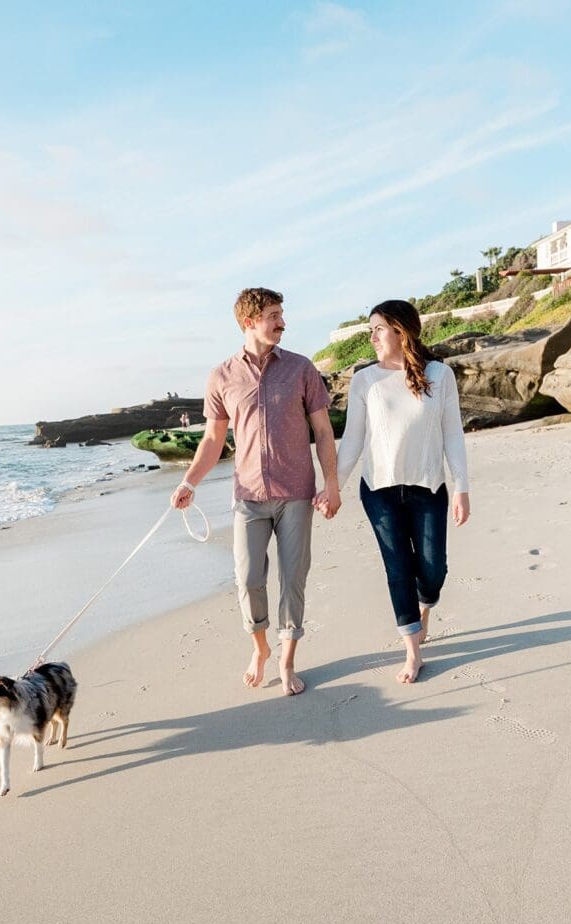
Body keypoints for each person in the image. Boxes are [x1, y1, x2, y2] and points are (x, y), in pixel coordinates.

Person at [171, 287, 340, 696]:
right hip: (247, 496)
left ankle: (286, 661)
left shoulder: (301, 369)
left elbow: (322, 430)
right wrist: (189, 481)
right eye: (273, 315)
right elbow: (213, 440)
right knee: (248, 579)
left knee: (293, 578)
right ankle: (260, 648)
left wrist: (331, 483)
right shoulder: (222, 376)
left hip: (297, 492)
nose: (282, 322)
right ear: (249, 322)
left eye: (282, 314)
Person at [320, 299, 469, 684]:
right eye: (370, 330)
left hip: (428, 487)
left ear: (401, 331)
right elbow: (352, 440)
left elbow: (453, 434)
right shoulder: (365, 380)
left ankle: (425, 606)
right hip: (380, 492)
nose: (371, 337)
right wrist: (333, 484)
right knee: (398, 568)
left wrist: (461, 487)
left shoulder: (440, 374)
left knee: (433, 570)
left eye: (378, 329)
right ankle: (412, 651)